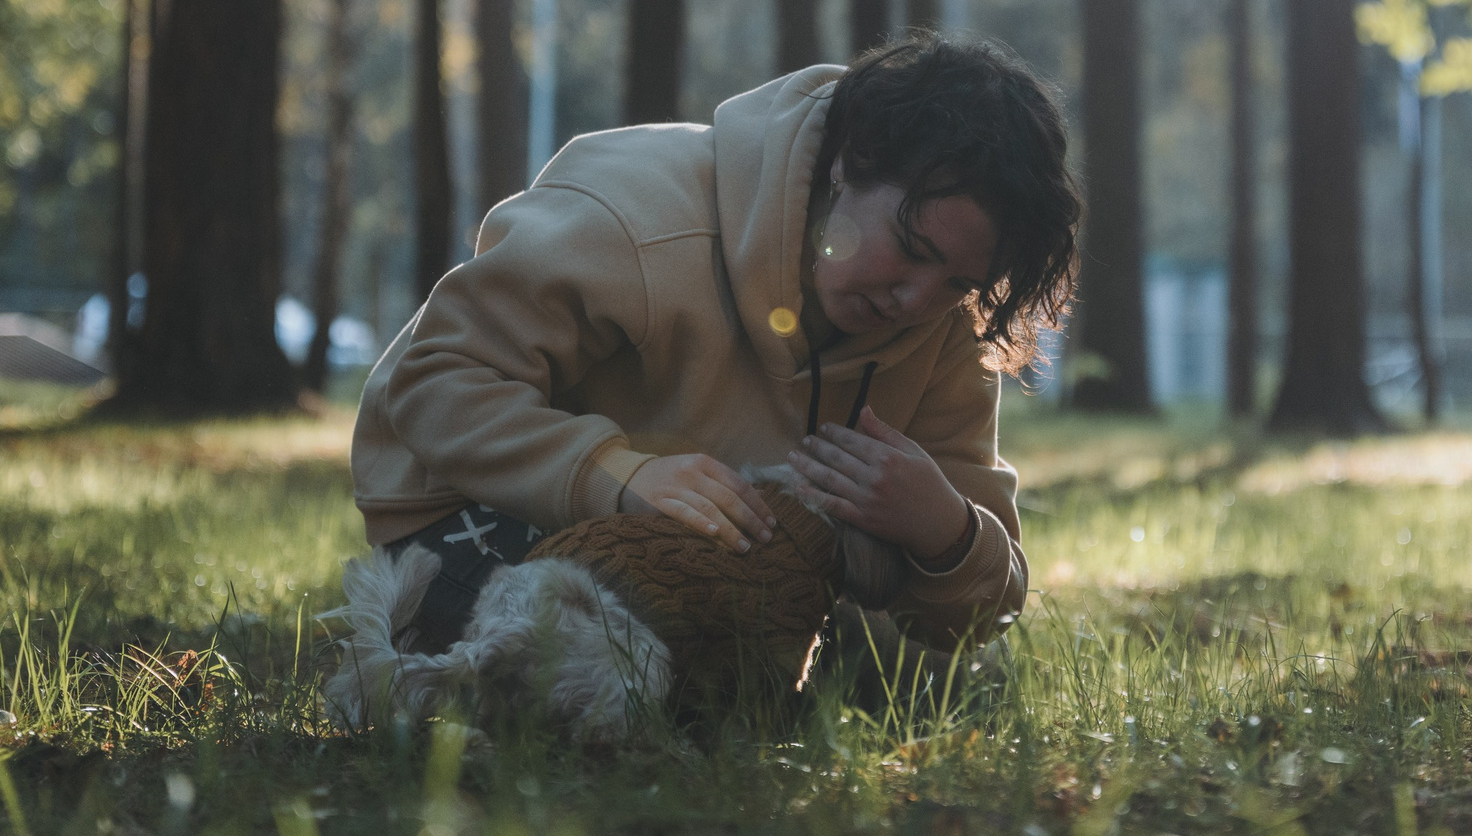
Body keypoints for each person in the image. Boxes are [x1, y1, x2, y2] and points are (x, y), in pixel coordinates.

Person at [350, 34, 1079, 658]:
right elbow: (435, 380)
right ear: (851, 159)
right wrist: (617, 476)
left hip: (719, 562)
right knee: (594, 671)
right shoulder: (636, 215)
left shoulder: (944, 327)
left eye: (957, 278)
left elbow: (989, 604)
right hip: (470, 510)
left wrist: (943, 528)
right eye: (910, 247)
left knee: (922, 673)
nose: (916, 299)